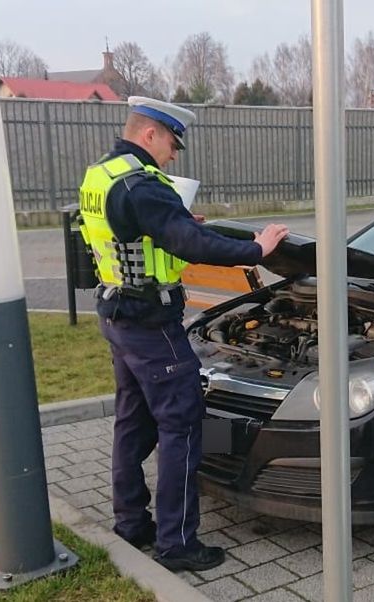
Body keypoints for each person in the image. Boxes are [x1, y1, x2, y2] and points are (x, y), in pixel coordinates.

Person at [78, 96, 288, 572]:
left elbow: (132, 233)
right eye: (172, 142)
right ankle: (177, 545)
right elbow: (190, 244)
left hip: (118, 317)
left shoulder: (102, 175)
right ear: (150, 133)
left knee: (132, 422)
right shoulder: (143, 183)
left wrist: (170, 226)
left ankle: (131, 523)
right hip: (153, 325)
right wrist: (256, 248)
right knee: (182, 426)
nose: (173, 154)